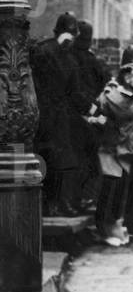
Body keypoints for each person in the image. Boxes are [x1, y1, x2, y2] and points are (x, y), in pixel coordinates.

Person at [87, 55, 133, 246]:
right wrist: (104, 123)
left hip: (131, 148)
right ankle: (104, 228)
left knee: (123, 189)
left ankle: (118, 225)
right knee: (111, 187)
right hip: (110, 148)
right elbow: (92, 114)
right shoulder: (109, 96)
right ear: (127, 78)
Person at [31, 12, 90, 217]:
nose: (71, 40)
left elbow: (75, 93)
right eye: (69, 35)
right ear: (61, 33)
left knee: (62, 160)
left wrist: (91, 109)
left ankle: (59, 204)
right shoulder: (42, 52)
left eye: (74, 37)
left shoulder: (70, 60)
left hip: (60, 117)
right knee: (46, 159)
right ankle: (50, 206)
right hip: (42, 115)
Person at [69, 20, 108, 211]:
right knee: (91, 161)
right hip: (90, 115)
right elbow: (104, 83)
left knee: (78, 162)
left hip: (73, 116)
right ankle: (88, 200)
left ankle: (80, 202)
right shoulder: (92, 60)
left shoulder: (69, 56)